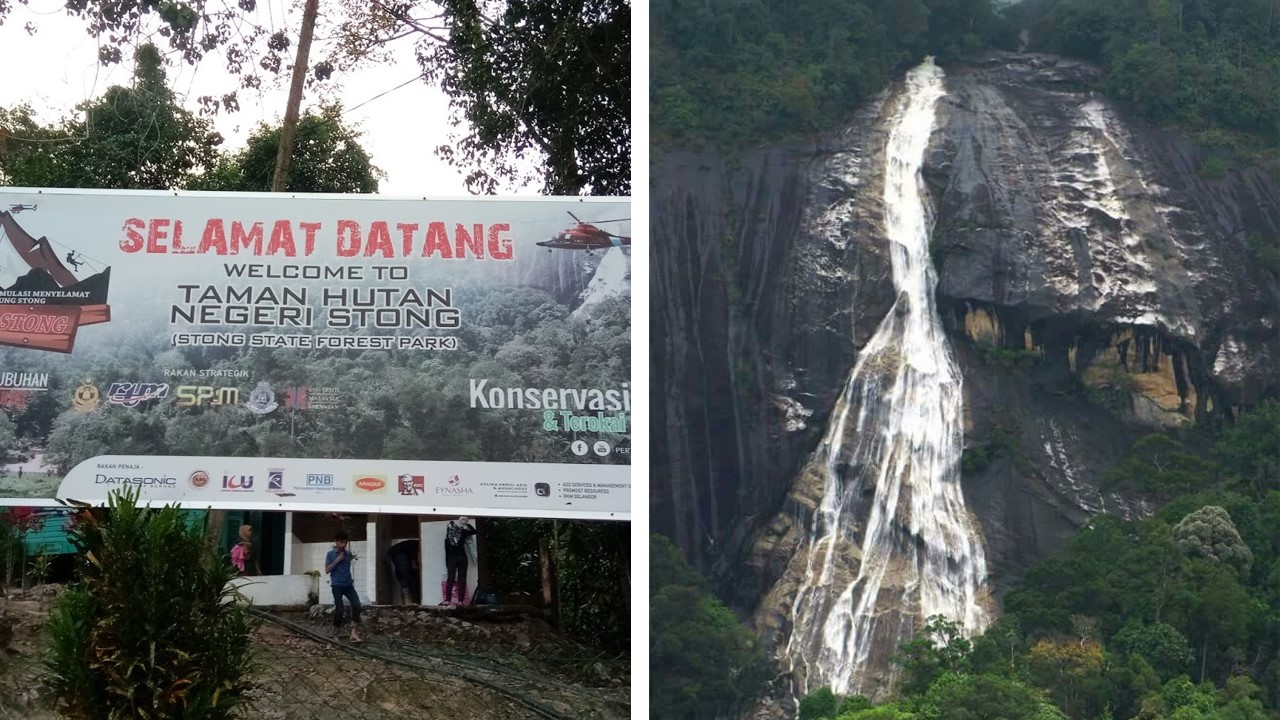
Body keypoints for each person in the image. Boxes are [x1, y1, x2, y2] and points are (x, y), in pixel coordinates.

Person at [324, 531, 362, 642]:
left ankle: (353, 632)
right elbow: (327, 570)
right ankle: (335, 634)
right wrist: (337, 560)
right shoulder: (330, 554)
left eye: (345, 542)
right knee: (339, 609)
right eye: (341, 542)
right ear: (336, 542)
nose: (343, 545)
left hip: (348, 585)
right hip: (337, 585)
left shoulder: (348, 554)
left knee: (357, 605)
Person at [442, 517, 476, 606]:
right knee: (451, 578)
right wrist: (447, 563)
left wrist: (466, 523)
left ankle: (460, 600)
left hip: (460, 558)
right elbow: (446, 552)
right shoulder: (448, 539)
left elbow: (474, 531)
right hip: (454, 559)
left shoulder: (461, 533)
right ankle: (448, 600)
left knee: (461, 579)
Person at [386, 538, 421, 605]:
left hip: (400, 552)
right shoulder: (422, 545)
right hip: (398, 550)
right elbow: (418, 560)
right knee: (405, 574)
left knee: (407, 575)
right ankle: (407, 600)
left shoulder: (419, 546)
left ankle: (410, 600)